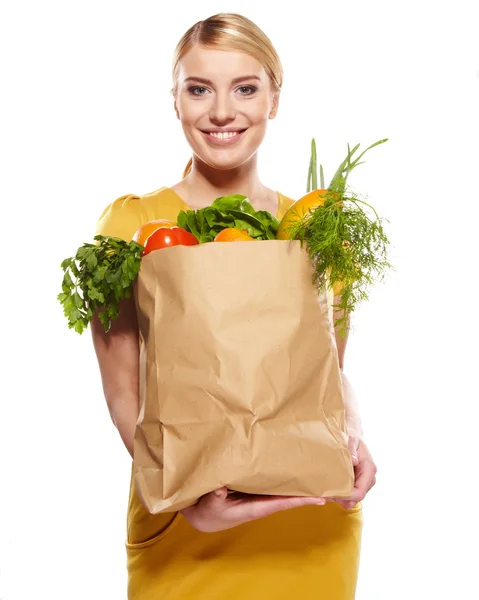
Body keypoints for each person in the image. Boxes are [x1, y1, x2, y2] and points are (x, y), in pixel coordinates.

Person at [91, 12, 377, 600]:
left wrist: (355, 442)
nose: (222, 111)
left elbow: (328, 374)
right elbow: (124, 389)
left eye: (245, 88)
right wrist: (191, 502)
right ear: (175, 100)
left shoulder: (318, 228)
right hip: (187, 529)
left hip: (310, 528)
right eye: (199, 89)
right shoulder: (132, 223)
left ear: (274, 99)